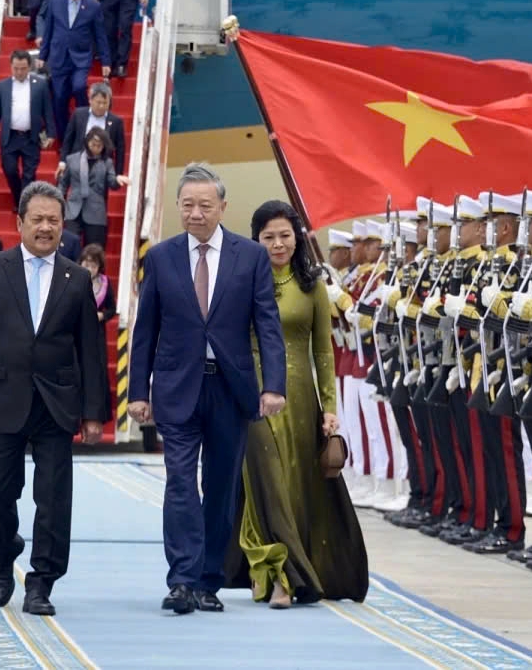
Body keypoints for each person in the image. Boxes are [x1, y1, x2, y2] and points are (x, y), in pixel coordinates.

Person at [128, 162, 286, 615]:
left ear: (222, 206)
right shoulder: (160, 257)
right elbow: (146, 330)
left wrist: (272, 385)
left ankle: (208, 579)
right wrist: (139, 391)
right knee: (180, 482)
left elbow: (267, 325)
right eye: (187, 205)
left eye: (204, 205)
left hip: (230, 390)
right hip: (177, 388)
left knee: (220, 486)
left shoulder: (250, 257)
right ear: (178, 207)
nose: (195, 213)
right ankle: (180, 579)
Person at [0, 180, 106, 617]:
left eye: (53, 221)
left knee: (54, 499)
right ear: (19, 223)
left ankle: (42, 582)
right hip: (2, 398)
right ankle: (5, 550)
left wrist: (93, 414)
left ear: (63, 226)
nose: (44, 228)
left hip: (57, 403)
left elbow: (91, 352)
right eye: (36, 219)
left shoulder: (77, 279)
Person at [224, 200, 369, 608]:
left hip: (301, 396)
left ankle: (276, 572)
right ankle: (280, 573)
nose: (277, 244)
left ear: (298, 238)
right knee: (263, 480)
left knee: (293, 484)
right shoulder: (242, 282)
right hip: (252, 394)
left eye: (284, 235)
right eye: (268, 237)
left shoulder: (312, 287)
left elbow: (323, 352)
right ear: (255, 240)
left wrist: (329, 408)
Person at [0, 49, 55, 212]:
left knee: (29, 175)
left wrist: (51, 134)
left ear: (29, 67)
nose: (19, 72)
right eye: (16, 68)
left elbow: (48, 111)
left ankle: (23, 205)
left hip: (31, 137)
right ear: (11, 67)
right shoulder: (3, 87)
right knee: (9, 169)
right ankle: (19, 197)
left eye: (23, 68)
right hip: (10, 137)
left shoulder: (41, 85)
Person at [38, 0, 112, 145]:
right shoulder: (55, 1)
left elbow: (100, 35)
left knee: (79, 87)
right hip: (59, 57)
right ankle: (65, 140)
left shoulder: (93, 6)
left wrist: (106, 61)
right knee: (59, 98)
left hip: (81, 57)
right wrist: (42, 55)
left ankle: (83, 126)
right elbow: (48, 30)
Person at [57, 126, 129, 248]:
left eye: (99, 146)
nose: (95, 148)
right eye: (93, 144)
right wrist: (58, 200)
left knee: (94, 250)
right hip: (73, 209)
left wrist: (117, 180)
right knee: (68, 247)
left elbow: (112, 182)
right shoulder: (72, 159)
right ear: (87, 142)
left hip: (96, 211)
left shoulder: (107, 162)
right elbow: (63, 183)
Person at [80, 243, 115, 424]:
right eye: (86, 265)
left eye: (93, 265)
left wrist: (101, 315)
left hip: (97, 334)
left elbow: (112, 308)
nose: (89, 269)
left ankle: (98, 414)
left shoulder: (105, 283)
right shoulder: (74, 280)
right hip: (77, 334)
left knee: (98, 371)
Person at [60, 82, 126, 175]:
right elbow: (68, 140)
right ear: (90, 100)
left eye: (105, 103)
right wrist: (63, 161)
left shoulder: (116, 121)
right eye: (98, 102)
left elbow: (120, 149)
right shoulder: (78, 114)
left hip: (101, 168)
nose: (102, 106)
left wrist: (118, 173)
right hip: (78, 164)